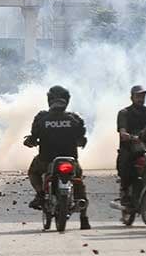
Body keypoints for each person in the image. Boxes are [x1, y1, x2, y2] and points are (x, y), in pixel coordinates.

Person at [24, 85, 91, 230]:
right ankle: (84, 218)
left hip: (46, 161)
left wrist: (30, 141)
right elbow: (82, 139)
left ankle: (40, 194)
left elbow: (33, 137)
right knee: (78, 182)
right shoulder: (75, 118)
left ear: (49, 99)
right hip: (70, 161)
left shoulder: (41, 118)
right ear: (67, 100)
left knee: (33, 172)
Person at [116, 85, 146, 206]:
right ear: (132, 97)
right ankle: (125, 190)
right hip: (130, 147)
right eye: (138, 96)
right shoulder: (124, 113)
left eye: (143, 96)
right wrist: (128, 136)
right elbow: (122, 131)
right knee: (126, 162)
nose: (141, 99)